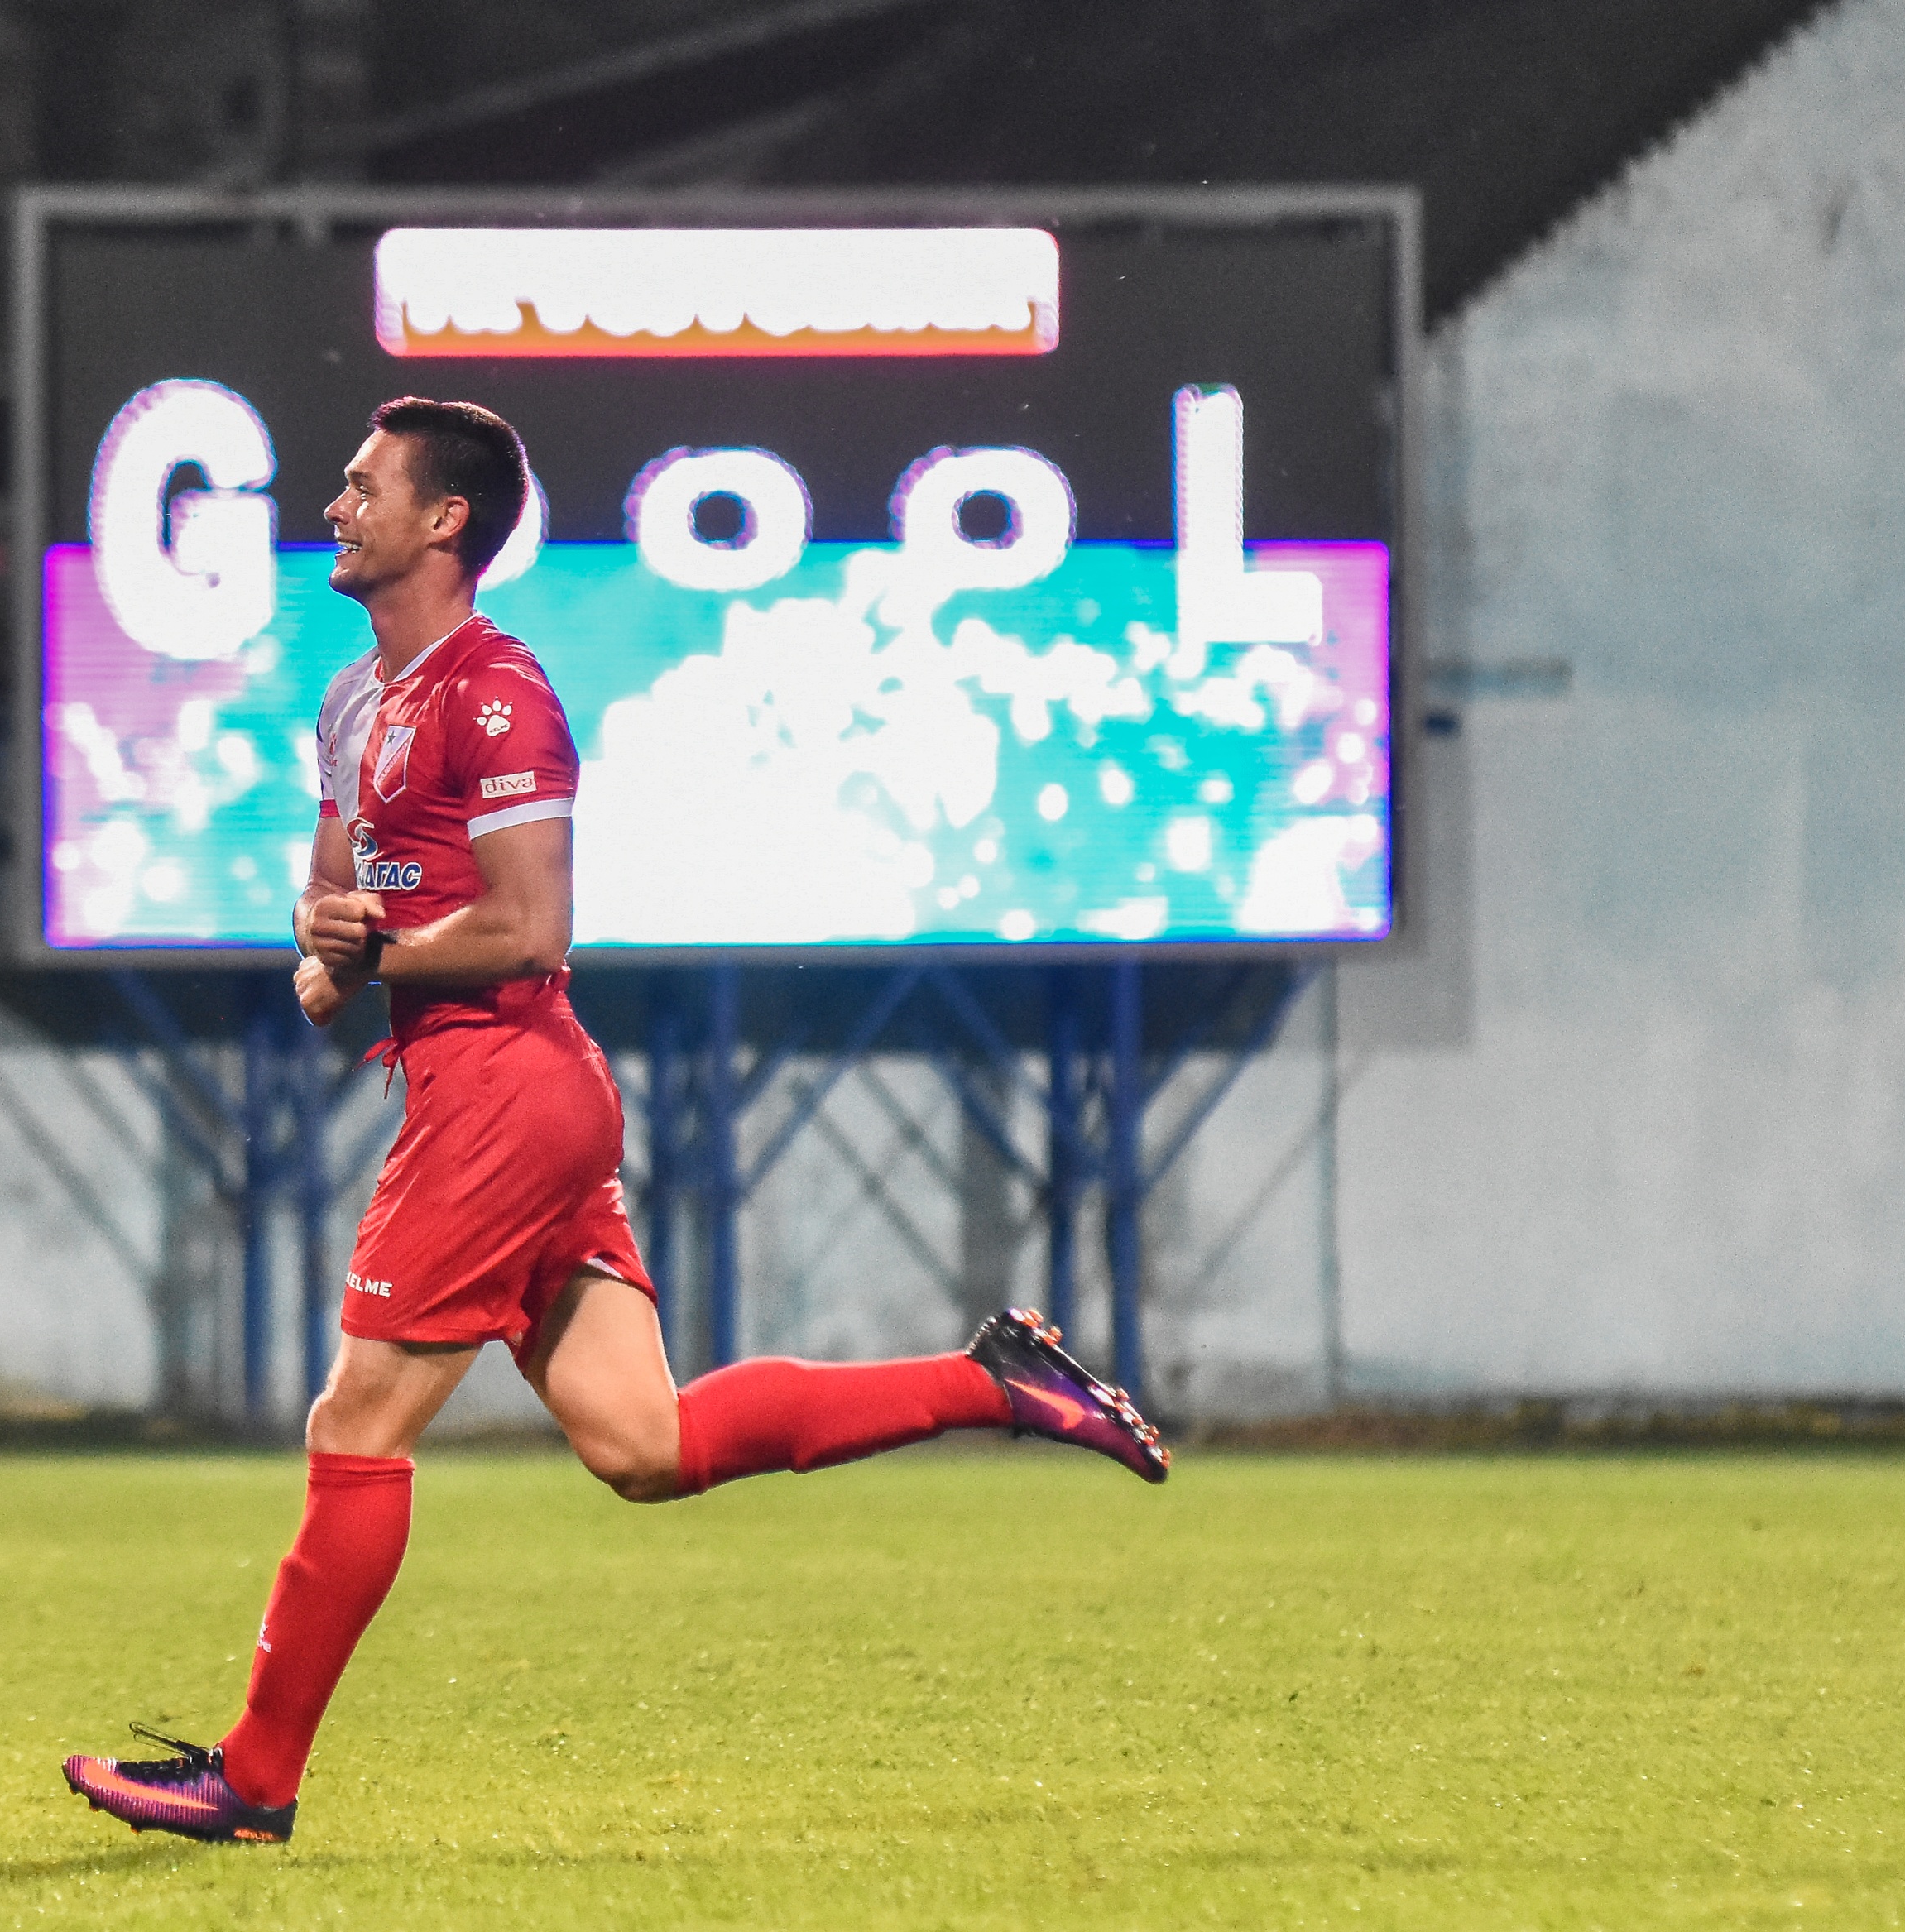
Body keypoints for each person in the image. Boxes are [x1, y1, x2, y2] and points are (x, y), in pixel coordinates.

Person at [63, 396, 1167, 1847]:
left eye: (363, 487)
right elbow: (340, 903)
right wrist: (329, 952)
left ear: (444, 521)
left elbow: (531, 928)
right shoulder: (351, 702)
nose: (334, 507)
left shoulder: (498, 692)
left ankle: (255, 1781)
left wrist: (378, 955)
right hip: (506, 1093)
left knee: (356, 1421)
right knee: (645, 1445)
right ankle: (995, 1385)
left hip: (504, 1094)